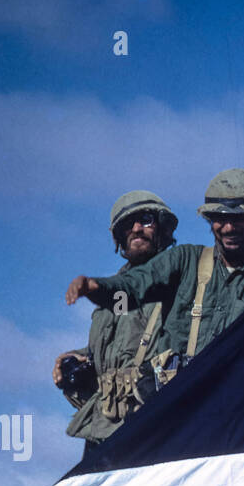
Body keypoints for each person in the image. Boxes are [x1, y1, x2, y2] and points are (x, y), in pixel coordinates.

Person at [64, 170, 244, 382]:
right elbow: (134, 286)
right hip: (178, 404)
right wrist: (95, 287)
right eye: (220, 218)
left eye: (239, 218)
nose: (228, 227)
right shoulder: (185, 260)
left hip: (238, 405)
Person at [54, 191, 179, 446]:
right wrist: (79, 358)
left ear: (162, 228)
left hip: (155, 422)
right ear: (119, 236)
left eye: (145, 219)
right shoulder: (112, 290)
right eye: (127, 224)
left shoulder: (180, 280)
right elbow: (119, 342)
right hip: (105, 424)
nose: (136, 229)